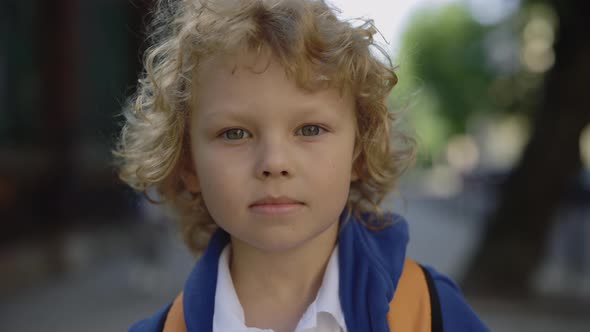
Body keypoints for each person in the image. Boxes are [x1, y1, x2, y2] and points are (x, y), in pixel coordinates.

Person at [115, 0, 490, 331]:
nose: (274, 163)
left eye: (310, 129)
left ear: (358, 153)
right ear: (187, 164)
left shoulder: (430, 312)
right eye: (235, 134)